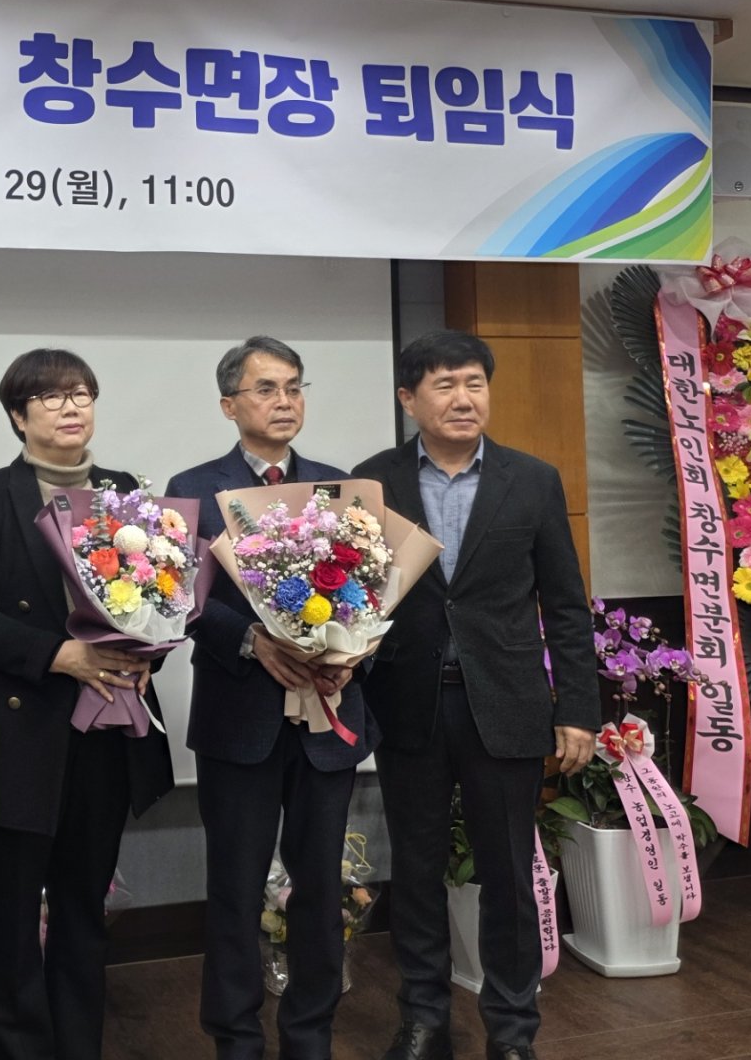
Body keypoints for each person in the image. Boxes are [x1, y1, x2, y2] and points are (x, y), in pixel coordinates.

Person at [353, 331, 599, 1060]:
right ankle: (423, 1019)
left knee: (509, 875)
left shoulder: (532, 479)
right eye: (444, 385)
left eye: (474, 383)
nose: (463, 399)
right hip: (409, 702)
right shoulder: (373, 482)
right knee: (416, 870)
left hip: (507, 703)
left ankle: (513, 1030)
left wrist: (577, 708)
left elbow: (565, 604)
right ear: (408, 398)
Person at [0, 348, 175, 1060]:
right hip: (21, 737)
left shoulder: (125, 493)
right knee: (12, 918)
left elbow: (164, 599)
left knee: (83, 910)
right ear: (19, 417)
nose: (70, 407)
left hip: (102, 734)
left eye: (80, 393)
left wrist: (147, 654)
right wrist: (60, 654)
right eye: (49, 397)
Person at [168, 336, 376, 1060]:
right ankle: (235, 1039)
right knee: (234, 888)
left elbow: (372, 592)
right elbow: (183, 602)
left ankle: (310, 1037)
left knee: (319, 889)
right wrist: (252, 641)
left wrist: (352, 654)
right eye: (265, 389)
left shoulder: (339, 488)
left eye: (293, 387)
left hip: (326, 718)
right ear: (230, 405)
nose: (283, 401)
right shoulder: (195, 488)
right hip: (239, 720)